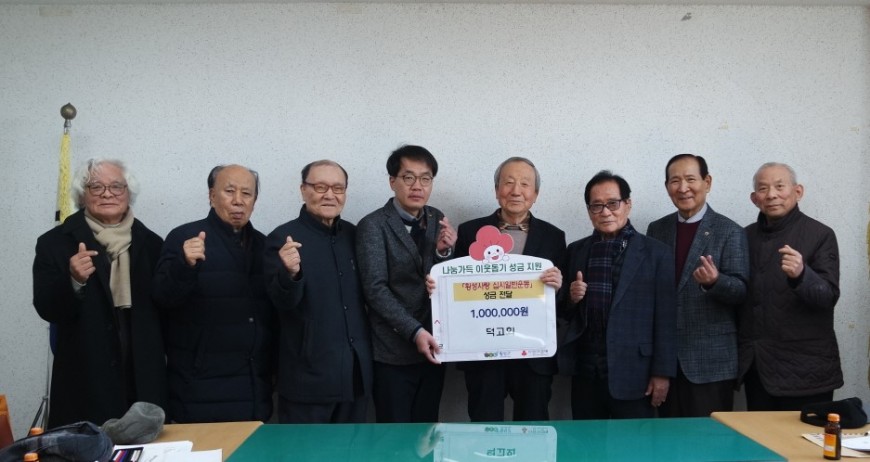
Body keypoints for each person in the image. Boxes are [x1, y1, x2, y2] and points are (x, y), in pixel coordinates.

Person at [33, 158, 167, 428]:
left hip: (142, 382)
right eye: (96, 187)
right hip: (84, 381)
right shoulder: (54, 243)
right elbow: (47, 308)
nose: (107, 194)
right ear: (82, 195)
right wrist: (74, 280)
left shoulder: (153, 244)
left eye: (116, 186)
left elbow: (167, 306)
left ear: (128, 193)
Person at [153, 164, 275, 423]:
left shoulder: (264, 245)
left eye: (247, 193)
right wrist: (185, 265)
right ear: (211, 195)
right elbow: (163, 298)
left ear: (255, 201)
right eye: (229, 191)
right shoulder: (184, 238)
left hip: (254, 386)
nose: (238, 200)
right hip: (199, 387)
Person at [453, 157, 565, 422]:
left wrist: (559, 287)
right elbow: (457, 291)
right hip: (483, 352)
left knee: (533, 428)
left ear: (535, 194)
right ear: (496, 190)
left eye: (525, 184)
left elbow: (562, 303)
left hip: (534, 356)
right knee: (484, 426)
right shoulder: (469, 232)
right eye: (509, 182)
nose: (516, 191)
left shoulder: (554, 236)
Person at [558, 170, 676, 419]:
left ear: (628, 204)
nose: (605, 212)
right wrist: (571, 298)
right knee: (587, 442)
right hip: (586, 371)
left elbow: (666, 320)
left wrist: (662, 373)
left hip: (636, 373)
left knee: (634, 442)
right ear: (589, 210)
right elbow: (563, 311)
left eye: (613, 203)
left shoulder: (657, 254)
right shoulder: (576, 250)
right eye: (597, 206)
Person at [264, 160, 373, 423]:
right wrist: (290, 274)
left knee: (354, 445)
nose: (329, 195)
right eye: (320, 187)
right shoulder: (282, 239)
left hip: (355, 375)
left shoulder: (354, 234)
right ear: (303, 190)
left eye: (338, 188)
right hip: (307, 381)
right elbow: (280, 302)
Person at [356, 145, 457, 423]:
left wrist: (444, 253)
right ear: (393, 181)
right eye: (408, 177)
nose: (417, 186)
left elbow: (441, 279)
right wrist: (414, 331)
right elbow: (375, 289)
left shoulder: (436, 217)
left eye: (425, 178)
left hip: (433, 346)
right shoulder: (373, 225)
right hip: (393, 351)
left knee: (428, 430)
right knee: (395, 434)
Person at [646, 154, 750, 417]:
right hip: (666, 363)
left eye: (690, 179)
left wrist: (715, 282)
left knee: (708, 438)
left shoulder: (730, 231)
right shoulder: (657, 230)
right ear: (667, 186)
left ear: (707, 182)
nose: (683, 188)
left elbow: (740, 291)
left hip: (711, 364)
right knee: (667, 437)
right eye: (675, 181)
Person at [738, 162, 842, 410]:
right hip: (758, 367)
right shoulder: (744, 236)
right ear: (754, 198)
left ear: (798, 191)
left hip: (807, 370)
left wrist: (802, 275)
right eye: (763, 188)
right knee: (759, 435)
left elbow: (828, 296)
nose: (771, 195)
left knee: (803, 435)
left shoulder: (820, 234)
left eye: (779, 186)